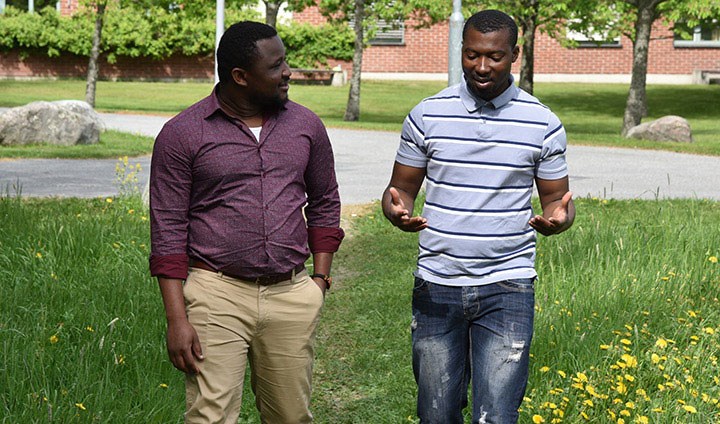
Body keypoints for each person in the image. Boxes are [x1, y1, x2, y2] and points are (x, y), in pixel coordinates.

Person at [381, 10, 575, 424]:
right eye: (471, 55)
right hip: (438, 283)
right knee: (437, 414)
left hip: (508, 285)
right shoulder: (427, 115)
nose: (482, 67)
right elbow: (400, 190)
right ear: (462, 51)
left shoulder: (542, 122)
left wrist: (559, 218)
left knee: (498, 415)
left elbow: (558, 199)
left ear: (515, 55)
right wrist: (395, 211)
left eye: (494, 57)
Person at [149, 21, 344, 424]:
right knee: (211, 418)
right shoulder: (182, 134)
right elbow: (167, 230)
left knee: (291, 417)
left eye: (285, 61)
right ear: (240, 76)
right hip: (215, 294)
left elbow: (325, 202)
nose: (288, 72)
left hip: (291, 293)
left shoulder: (306, 126)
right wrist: (176, 320)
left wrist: (319, 282)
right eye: (276, 66)